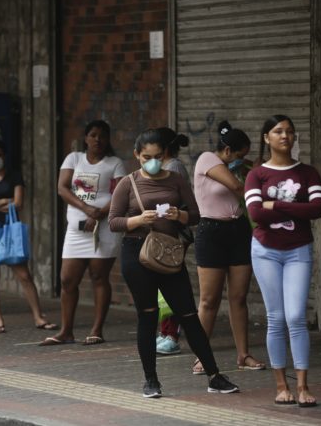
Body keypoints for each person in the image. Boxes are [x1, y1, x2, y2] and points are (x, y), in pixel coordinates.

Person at [109, 128, 239, 398]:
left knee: (189, 315)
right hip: (137, 253)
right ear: (137, 156)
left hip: (169, 253)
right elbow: (113, 222)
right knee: (148, 316)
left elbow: (195, 215)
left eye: (157, 156)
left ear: (164, 155)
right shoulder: (128, 183)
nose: (152, 162)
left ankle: (214, 375)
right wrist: (138, 220)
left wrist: (178, 214)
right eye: (146, 157)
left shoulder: (176, 180)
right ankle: (151, 380)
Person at [244, 115, 321, 407]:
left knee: (296, 317)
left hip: (298, 250)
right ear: (266, 137)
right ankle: (281, 385)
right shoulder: (256, 175)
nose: (285, 136)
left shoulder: (308, 172)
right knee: (276, 318)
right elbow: (255, 214)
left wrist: (276, 204)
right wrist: (295, 209)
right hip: (265, 250)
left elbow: (317, 208)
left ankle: (303, 386)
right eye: (278, 131)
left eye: (290, 132)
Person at [40, 120, 125, 346]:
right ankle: (66, 331)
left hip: (103, 229)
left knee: (99, 277)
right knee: (67, 280)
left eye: (102, 136)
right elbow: (62, 188)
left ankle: (96, 330)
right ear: (85, 138)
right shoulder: (73, 158)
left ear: (108, 140)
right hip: (76, 230)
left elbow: (119, 195)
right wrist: (87, 209)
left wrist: (98, 214)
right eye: (93, 135)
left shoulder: (114, 163)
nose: (97, 139)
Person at [192, 120, 265, 375]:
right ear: (228, 151)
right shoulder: (207, 159)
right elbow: (236, 187)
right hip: (211, 232)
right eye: (240, 155)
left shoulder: (239, 168)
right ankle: (202, 357)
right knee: (209, 300)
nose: (242, 160)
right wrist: (256, 178)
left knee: (239, 298)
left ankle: (244, 355)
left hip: (238, 230)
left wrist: (251, 170)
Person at [0, 139, 57, 334]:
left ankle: (38, 316)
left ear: (5, 156)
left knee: (24, 274)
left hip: (11, 229)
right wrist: (3, 200)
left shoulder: (15, 177)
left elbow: (19, 203)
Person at [155, 127, 192, 355]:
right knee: (163, 283)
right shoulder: (165, 166)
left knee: (170, 283)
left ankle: (171, 333)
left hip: (174, 233)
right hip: (165, 232)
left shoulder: (173, 167)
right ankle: (165, 331)